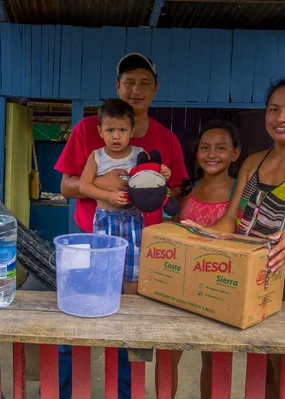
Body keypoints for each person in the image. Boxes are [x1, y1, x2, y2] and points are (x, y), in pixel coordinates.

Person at [185, 70, 285, 399]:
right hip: (250, 282)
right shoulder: (253, 163)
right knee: (263, 380)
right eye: (274, 109)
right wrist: (204, 234)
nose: (281, 118)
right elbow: (232, 219)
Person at [55, 53, 188, 398]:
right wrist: (105, 183)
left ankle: (125, 393)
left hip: (141, 242)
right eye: (129, 81)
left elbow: (175, 191)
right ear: (117, 86)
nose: (136, 89)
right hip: (90, 238)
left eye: (145, 83)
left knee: (131, 320)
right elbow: (67, 186)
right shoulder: (88, 131)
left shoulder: (165, 139)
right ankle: (68, 391)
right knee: (77, 316)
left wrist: (156, 185)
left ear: (155, 89)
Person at [172, 119, 241, 399]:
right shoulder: (190, 189)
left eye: (221, 148)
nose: (212, 154)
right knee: (169, 352)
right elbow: (175, 226)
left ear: (235, 153)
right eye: (205, 148)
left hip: (219, 287)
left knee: (214, 358)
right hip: (182, 284)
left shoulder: (241, 193)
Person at [80, 98, 171, 291]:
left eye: (122, 130)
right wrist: (108, 196)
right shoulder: (97, 156)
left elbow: (151, 179)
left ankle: (130, 308)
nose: (116, 136)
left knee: (133, 266)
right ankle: (104, 301)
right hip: (106, 218)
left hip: (133, 218)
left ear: (132, 131)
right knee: (103, 265)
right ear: (100, 131)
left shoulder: (140, 154)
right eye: (110, 130)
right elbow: (84, 186)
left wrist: (164, 173)